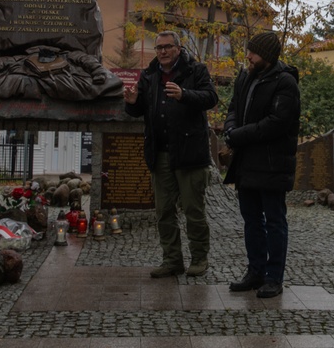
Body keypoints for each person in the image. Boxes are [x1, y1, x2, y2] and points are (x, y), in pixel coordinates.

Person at [124, 31, 218, 278]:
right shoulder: (149, 75)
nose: (162, 52)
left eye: (167, 47)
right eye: (159, 48)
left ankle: (199, 258)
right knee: (164, 211)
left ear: (178, 48)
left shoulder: (196, 70)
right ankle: (172, 260)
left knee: (193, 210)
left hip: (190, 154)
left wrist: (185, 95)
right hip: (160, 153)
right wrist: (132, 101)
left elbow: (211, 98)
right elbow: (138, 110)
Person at [223, 32, 300, 299]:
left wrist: (239, 135)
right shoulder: (245, 77)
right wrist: (230, 128)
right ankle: (255, 271)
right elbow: (233, 108)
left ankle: (273, 277)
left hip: (272, 164)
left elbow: (276, 123)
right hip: (246, 162)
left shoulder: (285, 82)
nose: (248, 56)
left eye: (253, 52)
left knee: (274, 222)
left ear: (266, 56)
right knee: (251, 221)